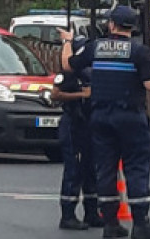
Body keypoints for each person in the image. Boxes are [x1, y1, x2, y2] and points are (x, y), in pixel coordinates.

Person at [60, 5, 150, 239]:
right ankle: (141, 224)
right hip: (129, 116)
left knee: (106, 168)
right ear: (133, 27)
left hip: (100, 117)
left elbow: (68, 65)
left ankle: (110, 224)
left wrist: (68, 41)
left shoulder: (95, 47)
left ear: (111, 25)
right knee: (136, 166)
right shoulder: (139, 51)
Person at [52, 35, 103, 230]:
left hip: (90, 124)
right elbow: (55, 94)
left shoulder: (93, 72)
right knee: (74, 170)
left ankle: (91, 212)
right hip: (73, 123)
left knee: (91, 169)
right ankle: (68, 214)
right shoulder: (68, 73)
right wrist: (81, 94)